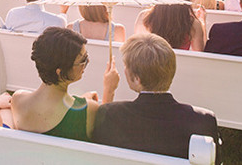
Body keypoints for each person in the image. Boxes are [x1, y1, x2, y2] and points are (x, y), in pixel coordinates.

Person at [92, 34, 220, 159]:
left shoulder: (111, 114)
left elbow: (100, 156)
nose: (125, 70)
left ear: (137, 79)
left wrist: (108, 91)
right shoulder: (203, 120)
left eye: (126, 67)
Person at [10, 27, 119, 141]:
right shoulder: (89, 111)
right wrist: (109, 90)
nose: (87, 62)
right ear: (60, 72)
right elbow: (104, 138)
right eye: (83, 60)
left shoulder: (18, 99)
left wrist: (81, 101)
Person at [135, 0, 205, 51]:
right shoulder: (193, 24)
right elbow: (199, 54)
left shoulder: (145, 17)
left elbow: (137, 48)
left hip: (152, 62)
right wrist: (202, 23)